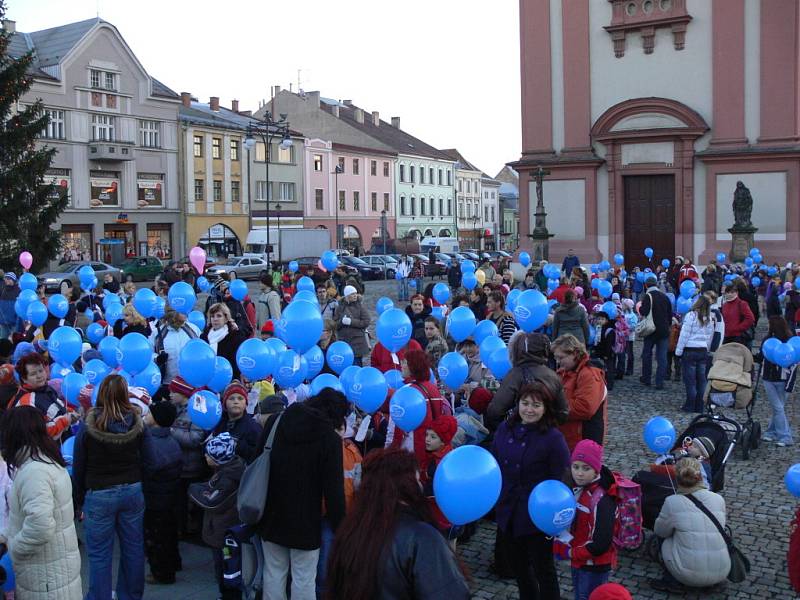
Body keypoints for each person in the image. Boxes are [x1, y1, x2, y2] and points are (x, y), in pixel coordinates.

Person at [325, 447, 469, 600]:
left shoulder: (351, 529)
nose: (421, 486)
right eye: (417, 479)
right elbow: (448, 593)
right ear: (405, 486)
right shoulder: (421, 537)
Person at [256, 388, 348, 600]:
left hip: (271, 514)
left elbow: (256, 463)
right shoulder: (330, 440)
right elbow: (334, 492)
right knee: (304, 579)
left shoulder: (276, 422)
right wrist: (341, 528)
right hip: (306, 522)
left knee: (273, 574)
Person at [492, 381, 570, 600]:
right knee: (519, 568)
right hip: (509, 510)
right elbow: (495, 463)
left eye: (536, 405)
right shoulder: (505, 428)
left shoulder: (554, 439)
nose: (529, 409)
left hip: (538, 515)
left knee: (543, 569)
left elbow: (562, 478)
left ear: (545, 408)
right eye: (525, 403)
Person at [72, 374, 146, 600]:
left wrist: (78, 500)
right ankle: (130, 595)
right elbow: (148, 457)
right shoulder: (137, 423)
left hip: (100, 493)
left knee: (100, 554)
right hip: (132, 489)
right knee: (133, 549)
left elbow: (79, 464)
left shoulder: (89, 425)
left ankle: (99, 596)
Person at [0, 405, 82, 599]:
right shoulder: (45, 460)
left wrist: (15, 547)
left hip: (45, 575)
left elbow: (40, 525)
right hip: (54, 568)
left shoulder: (34, 471)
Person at [650, 457, 730, 592]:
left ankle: (671, 580)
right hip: (722, 571)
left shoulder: (672, 501)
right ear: (700, 477)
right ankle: (713, 582)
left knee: (665, 538)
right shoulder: (718, 499)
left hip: (687, 575)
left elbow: (660, 531)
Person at [559, 440, 617, 600]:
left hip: (594, 566)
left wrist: (571, 552)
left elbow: (600, 543)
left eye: (586, 468)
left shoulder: (601, 500)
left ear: (596, 469)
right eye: (575, 467)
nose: (579, 473)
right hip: (579, 561)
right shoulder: (578, 488)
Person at [191, 432, 246, 600]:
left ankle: (228, 595)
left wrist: (194, 489)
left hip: (223, 532)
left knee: (225, 567)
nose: (205, 457)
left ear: (218, 458)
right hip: (226, 530)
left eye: (208, 454)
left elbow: (212, 501)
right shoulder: (231, 469)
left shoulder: (227, 478)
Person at [486, 331, 568, 429]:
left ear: (518, 350)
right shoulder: (553, 375)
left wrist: (508, 429)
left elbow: (495, 410)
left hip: (520, 433)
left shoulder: (515, 374)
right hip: (546, 434)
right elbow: (563, 412)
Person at [141, 400, 183, 585]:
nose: (145, 416)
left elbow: (148, 468)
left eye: (149, 413)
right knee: (169, 533)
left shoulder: (151, 443)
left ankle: (161, 572)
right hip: (169, 497)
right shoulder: (172, 441)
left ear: (156, 419)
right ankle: (173, 563)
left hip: (154, 498)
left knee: (157, 537)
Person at [168, 375, 208, 537]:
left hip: (191, 466)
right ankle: (181, 528)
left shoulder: (194, 413)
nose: (170, 394)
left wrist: (170, 431)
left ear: (183, 393)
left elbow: (195, 438)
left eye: (173, 391)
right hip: (178, 465)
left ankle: (193, 530)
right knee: (179, 502)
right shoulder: (175, 410)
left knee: (191, 501)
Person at [551, 334, 607, 451]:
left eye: (561, 358)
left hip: (582, 438)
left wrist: (553, 407)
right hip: (568, 436)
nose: (558, 362)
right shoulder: (563, 372)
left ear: (575, 354)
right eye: (556, 358)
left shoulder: (589, 374)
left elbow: (585, 407)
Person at [10, 351, 76, 439]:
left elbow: (54, 407)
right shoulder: (25, 402)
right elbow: (39, 432)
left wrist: (68, 411)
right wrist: (64, 421)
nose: (39, 376)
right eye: (33, 374)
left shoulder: (45, 388)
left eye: (41, 371)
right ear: (24, 379)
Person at [755, 316, 796, 446]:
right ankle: (771, 432)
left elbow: (794, 363)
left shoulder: (789, 341)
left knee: (778, 408)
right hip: (769, 378)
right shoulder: (768, 340)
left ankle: (785, 436)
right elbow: (761, 356)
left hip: (782, 379)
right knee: (778, 408)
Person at [674, 294, 716, 413]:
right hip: (702, 350)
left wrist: (679, 351)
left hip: (690, 350)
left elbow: (684, 335)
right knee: (702, 380)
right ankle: (700, 405)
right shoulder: (709, 318)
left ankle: (690, 405)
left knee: (690, 380)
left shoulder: (691, 316)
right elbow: (709, 336)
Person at [213, 380, 263, 462]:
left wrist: (237, 445)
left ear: (246, 403)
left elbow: (257, 455)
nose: (236, 402)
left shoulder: (254, 428)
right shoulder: (219, 424)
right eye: (231, 398)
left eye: (240, 398)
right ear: (225, 403)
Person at [639, 274, 673, 389]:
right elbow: (670, 314)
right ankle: (659, 382)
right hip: (663, 331)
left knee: (647, 354)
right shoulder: (665, 296)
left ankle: (646, 378)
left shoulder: (647, 296)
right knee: (662, 357)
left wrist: (639, 308)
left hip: (651, 330)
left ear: (646, 285)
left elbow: (643, 311)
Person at [150, 307, 200, 386]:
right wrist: (157, 359)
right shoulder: (157, 333)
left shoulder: (194, 329)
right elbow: (148, 354)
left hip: (190, 383)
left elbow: (203, 351)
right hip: (167, 383)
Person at [202, 302, 249, 380]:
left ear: (226, 318)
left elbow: (240, 361)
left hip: (230, 379)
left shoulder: (236, 336)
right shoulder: (204, 337)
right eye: (212, 316)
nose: (215, 319)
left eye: (219, 316)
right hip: (207, 379)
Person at [333, 285, 370, 366]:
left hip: (357, 341)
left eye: (355, 293)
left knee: (357, 364)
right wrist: (341, 322)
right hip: (345, 341)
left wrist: (351, 322)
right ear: (347, 296)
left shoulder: (360, 306)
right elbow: (334, 325)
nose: (355, 295)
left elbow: (366, 322)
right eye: (352, 294)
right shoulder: (339, 308)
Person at [0, 272, 20, 339]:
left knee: (14, 342)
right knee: (3, 342)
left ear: (13, 280)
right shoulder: (2, 289)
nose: (7, 280)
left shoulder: (18, 290)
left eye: (9, 279)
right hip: (3, 322)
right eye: (6, 278)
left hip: (15, 323)